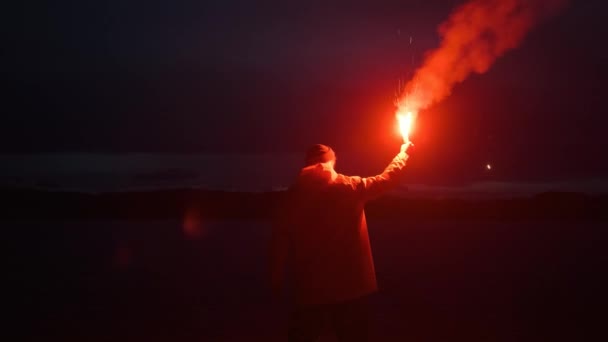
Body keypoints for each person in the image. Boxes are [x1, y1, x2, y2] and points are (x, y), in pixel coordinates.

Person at [270, 142, 413, 342]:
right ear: (331, 160)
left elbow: (280, 238)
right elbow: (387, 180)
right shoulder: (350, 187)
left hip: (310, 287)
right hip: (349, 288)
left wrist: (275, 277)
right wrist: (404, 154)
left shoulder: (293, 196)